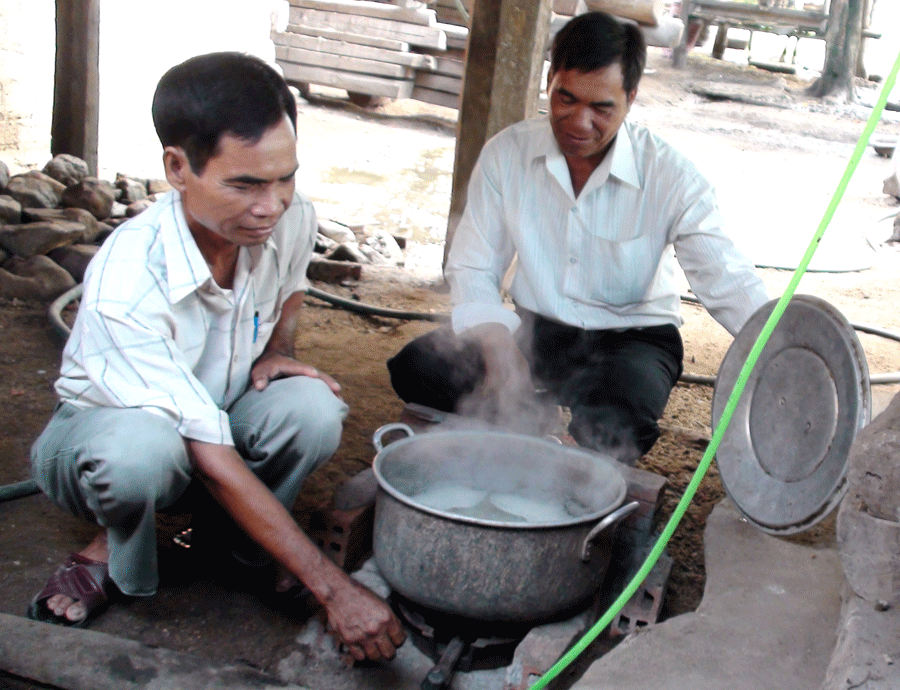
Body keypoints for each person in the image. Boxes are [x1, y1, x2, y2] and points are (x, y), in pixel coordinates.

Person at [27, 51, 405, 662]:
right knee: (139, 456)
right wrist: (334, 588)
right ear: (178, 168)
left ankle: (237, 544)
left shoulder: (289, 214)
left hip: (216, 416)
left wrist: (280, 350)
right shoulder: (131, 275)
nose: (272, 205)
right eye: (245, 184)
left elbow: (291, 288)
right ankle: (113, 545)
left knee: (311, 408)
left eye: (285, 177)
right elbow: (205, 450)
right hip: (104, 439)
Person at [387, 12, 769, 466]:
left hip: (632, 339)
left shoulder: (671, 177)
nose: (579, 123)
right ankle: (532, 425)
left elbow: (728, 280)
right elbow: (473, 266)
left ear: (631, 97)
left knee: (618, 422)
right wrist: (496, 342)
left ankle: (568, 448)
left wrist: (781, 348)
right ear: (550, 80)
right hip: (537, 332)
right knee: (419, 368)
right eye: (565, 99)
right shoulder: (507, 155)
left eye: (602, 108)